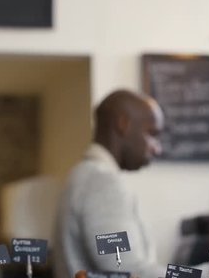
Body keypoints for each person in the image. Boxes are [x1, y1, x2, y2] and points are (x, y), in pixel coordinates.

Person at [53, 89, 165, 278]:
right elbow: (127, 272)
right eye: (151, 133)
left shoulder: (83, 174)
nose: (157, 148)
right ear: (123, 124)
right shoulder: (101, 182)